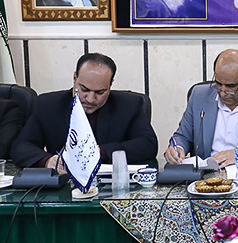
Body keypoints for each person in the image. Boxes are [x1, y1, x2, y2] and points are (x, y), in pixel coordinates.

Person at [11, 53, 157, 169]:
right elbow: (21, 146)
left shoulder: (129, 105)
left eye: (100, 92)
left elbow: (148, 145)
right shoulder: (48, 105)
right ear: (75, 78)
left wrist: (100, 152)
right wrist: (47, 161)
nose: (90, 99)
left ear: (111, 84)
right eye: (84, 90)